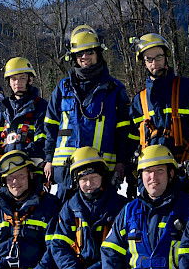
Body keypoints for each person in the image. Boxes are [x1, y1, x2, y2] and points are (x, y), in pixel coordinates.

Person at [43, 27, 133, 200]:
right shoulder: (63, 88)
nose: (84, 57)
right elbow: (51, 126)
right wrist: (48, 159)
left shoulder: (115, 89)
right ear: (74, 58)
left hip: (101, 171)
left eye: (89, 52)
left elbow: (123, 132)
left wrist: (121, 162)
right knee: (66, 221)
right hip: (67, 172)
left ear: (98, 53)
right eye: (80, 54)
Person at [130, 32, 189, 167]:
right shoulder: (139, 101)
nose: (155, 63)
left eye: (159, 57)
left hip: (184, 173)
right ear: (143, 62)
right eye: (149, 59)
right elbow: (132, 142)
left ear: (166, 57)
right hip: (152, 177)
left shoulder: (188, 89)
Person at [0, 57, 48, 173]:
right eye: (13, 79)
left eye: (22, 78)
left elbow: (42, 145)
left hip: (32, 174)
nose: (17, 83)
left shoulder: (41, 107)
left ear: (30, 80)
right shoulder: (2, 109)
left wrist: (11, 158)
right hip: (6, 175)